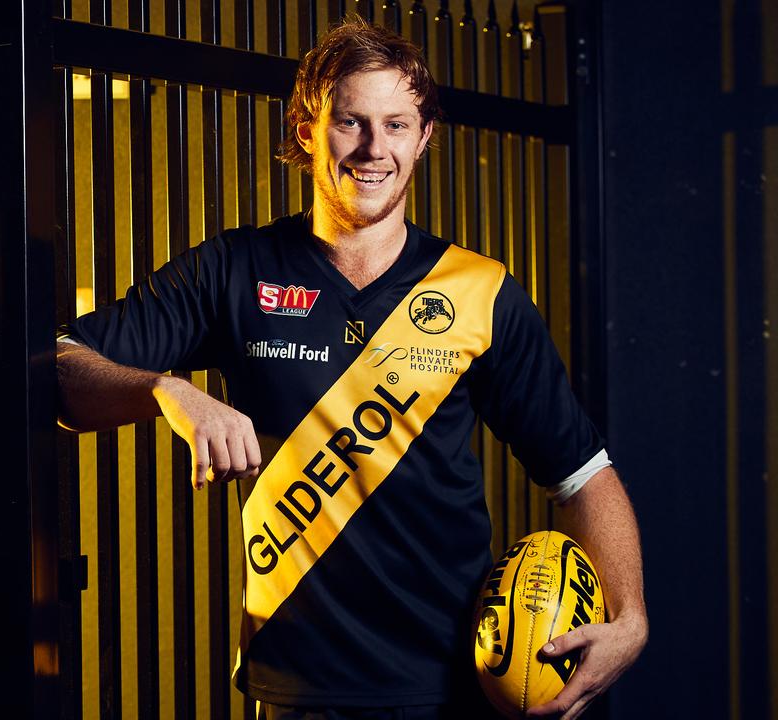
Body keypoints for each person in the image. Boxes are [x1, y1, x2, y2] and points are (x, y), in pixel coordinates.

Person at [57, 16, 646, 720]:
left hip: (455, 687)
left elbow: (583, 473)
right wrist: (164, 389)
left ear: (424, 137)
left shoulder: (479, 291)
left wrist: (631, 616)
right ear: (307, 130)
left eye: (397, 125)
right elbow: (59, 371)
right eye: (351, 123)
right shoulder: (234, 271)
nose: (374, 148)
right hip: (298, 690)